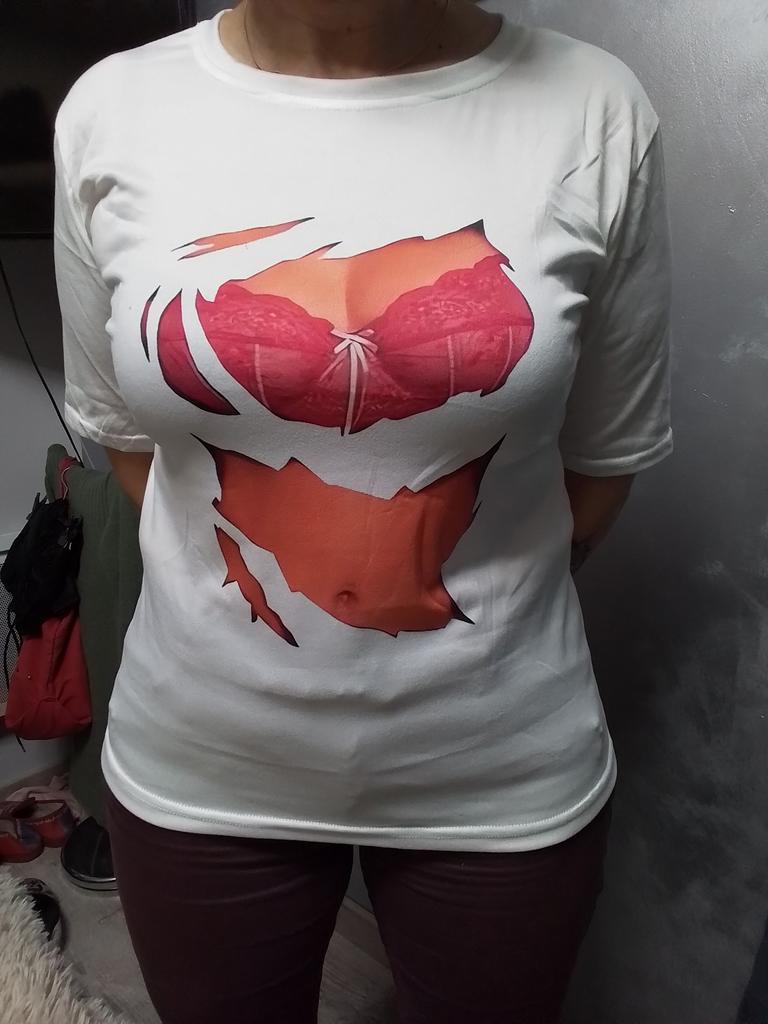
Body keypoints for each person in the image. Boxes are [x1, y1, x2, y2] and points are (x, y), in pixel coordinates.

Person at [52, 0, 673, 1021]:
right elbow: (128, 443)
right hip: (205, 757)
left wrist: (428, 582)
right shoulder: (113, 110)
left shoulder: (595, 108)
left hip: (497, 765)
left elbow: (603, 464)